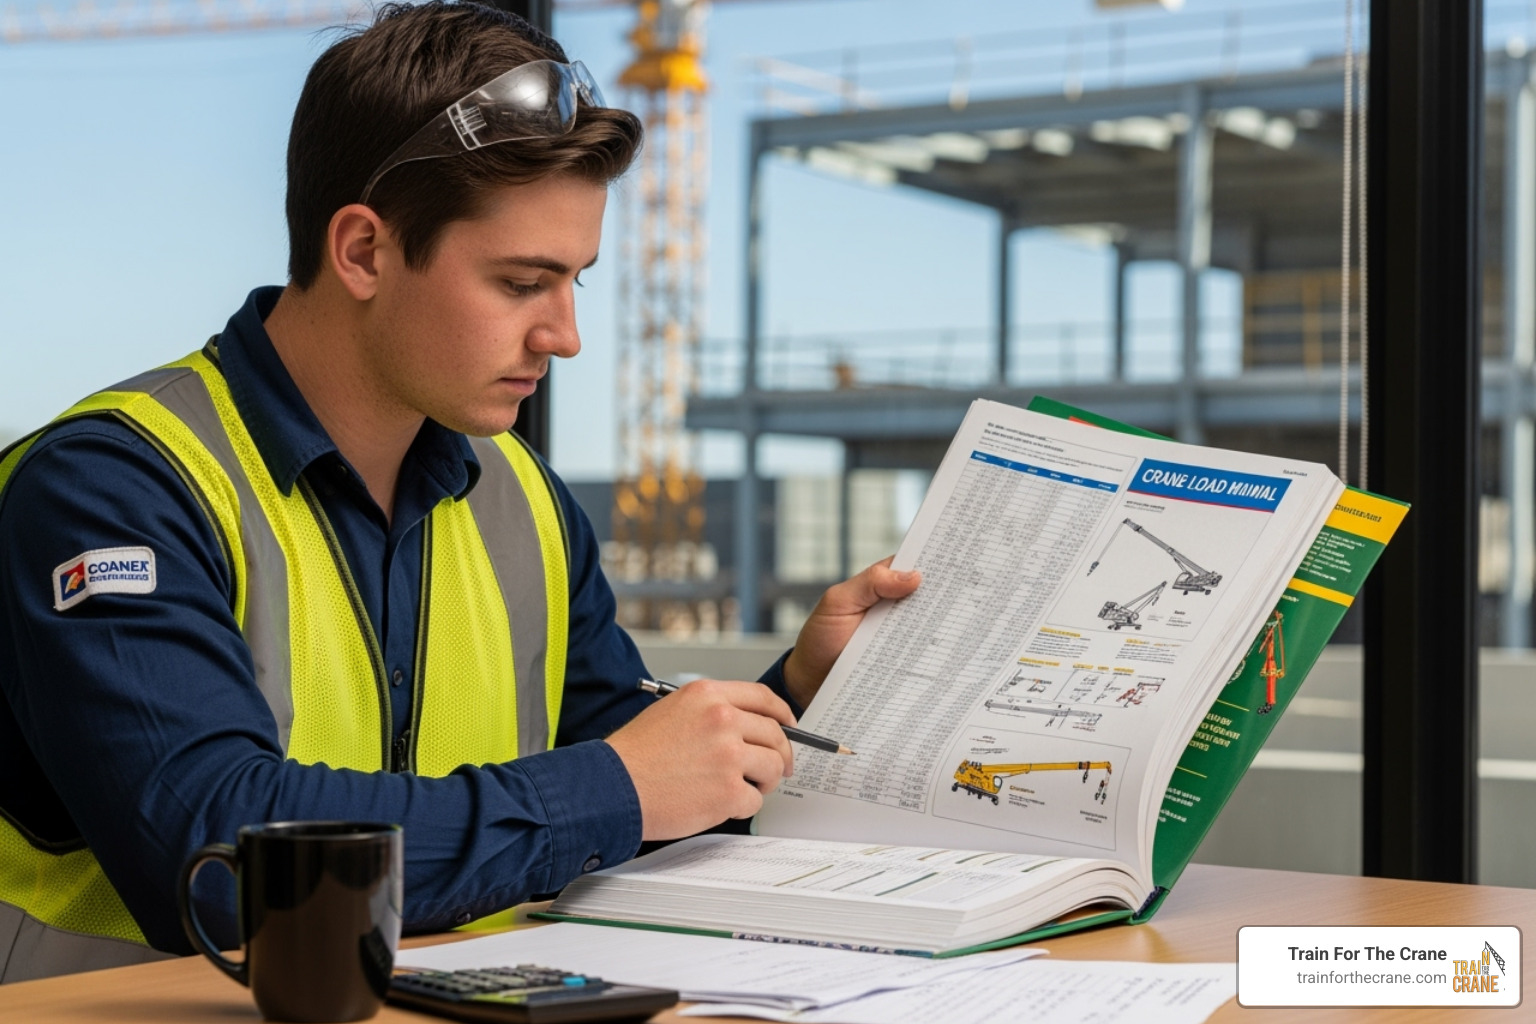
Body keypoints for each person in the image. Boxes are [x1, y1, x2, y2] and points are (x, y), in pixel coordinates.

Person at [0, 0, 919, 983]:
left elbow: (642, 771)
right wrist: (614, 788)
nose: (565, 335)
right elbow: (225, 863)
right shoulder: (113, 488)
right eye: (524, 282)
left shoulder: (520, 499)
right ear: (363, 250)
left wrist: (790, 695)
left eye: (576, 281)